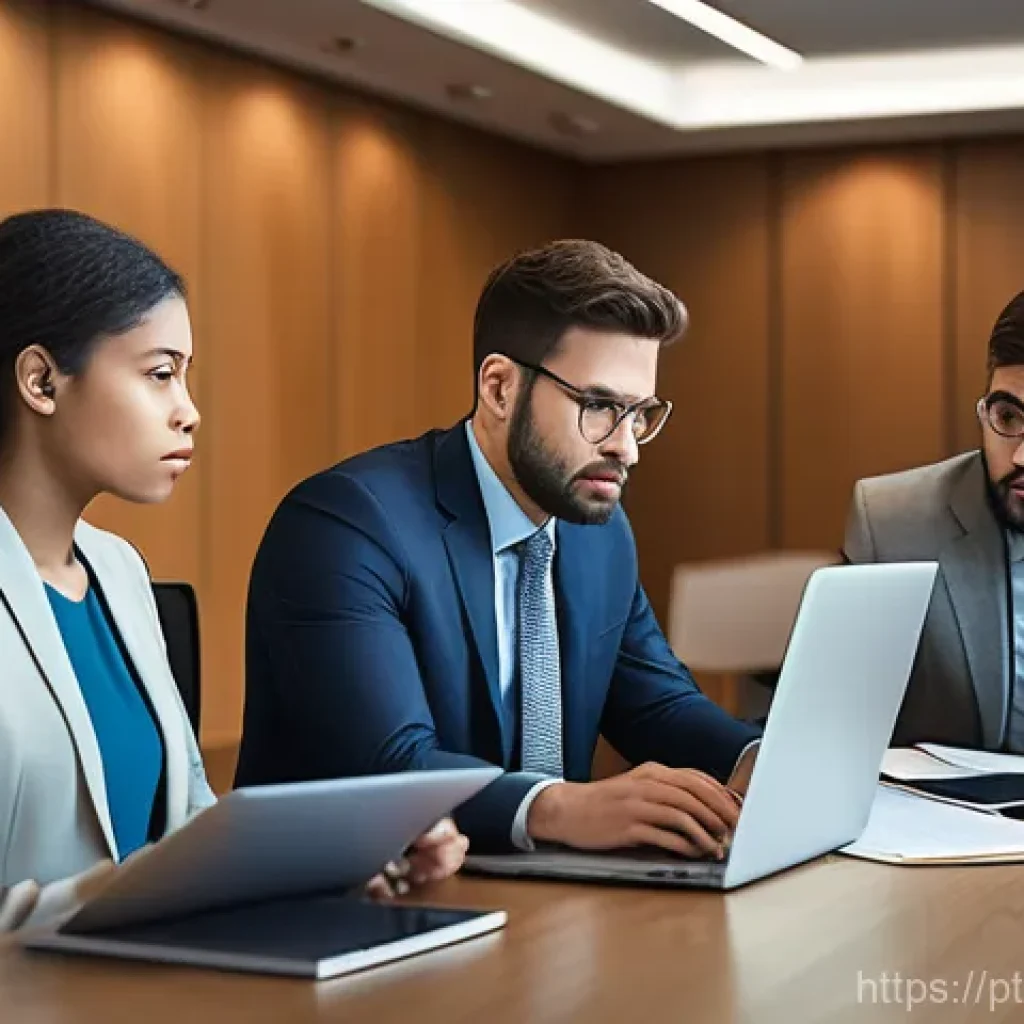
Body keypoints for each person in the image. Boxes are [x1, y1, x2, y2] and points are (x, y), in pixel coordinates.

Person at [0, 210, 466, 934]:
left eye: (186, 378)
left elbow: (188, 826)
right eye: (159, 375)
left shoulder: (120, 574)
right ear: (40, 379)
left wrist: (330, 857)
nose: (189, 413)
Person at [238, 239, 760, 856]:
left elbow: (658, 705)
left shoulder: (597, 533)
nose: (627, 448)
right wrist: (562, 805)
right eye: (598, 407)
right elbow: (387, 764)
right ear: (500, 387)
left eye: (640, 413)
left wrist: (758, 759)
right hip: (346, 905)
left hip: (539, 901)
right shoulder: (344, 525)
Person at [844, 289, 1024, 751]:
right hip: (954, 815)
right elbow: (836, 723)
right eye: (1008, 416)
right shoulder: (892, 521)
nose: (1021, 455)